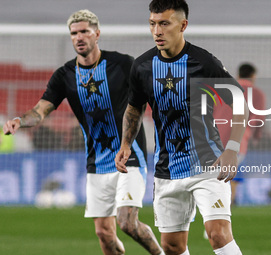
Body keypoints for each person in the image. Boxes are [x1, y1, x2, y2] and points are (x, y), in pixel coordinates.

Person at [3, 9, 163, 255]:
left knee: (127, 223)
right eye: (74, 33)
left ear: (96, 34)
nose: (79, 37)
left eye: (84, 32)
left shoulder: (123, 64)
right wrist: (19, 121)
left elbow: (147, 96)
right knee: (104, 234)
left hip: (130, 156)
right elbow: (41, 110)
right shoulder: (64, 75)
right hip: (96, 162)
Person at [115, 1, 248, 254]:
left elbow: (239, 102)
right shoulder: (142, 67)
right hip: (167, 167)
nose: (157, 31)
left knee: (218, 234)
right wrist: (125, 144)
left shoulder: (204, 63)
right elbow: (134, 108)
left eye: (164, 23)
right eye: (153, 24)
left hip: (208, 163)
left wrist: (232, 148)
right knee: (172, 246)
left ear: (183, 25)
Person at [213, 63, 266, 205]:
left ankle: (216, 208)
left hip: (215, 138)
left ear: (238, 74)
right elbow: (258, 120)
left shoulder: (224, 90)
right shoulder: (257, 93)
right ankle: (225, 207)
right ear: (253, 76)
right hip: (238, 140)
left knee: (215, 177)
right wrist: (256, 137)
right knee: (231, 176)